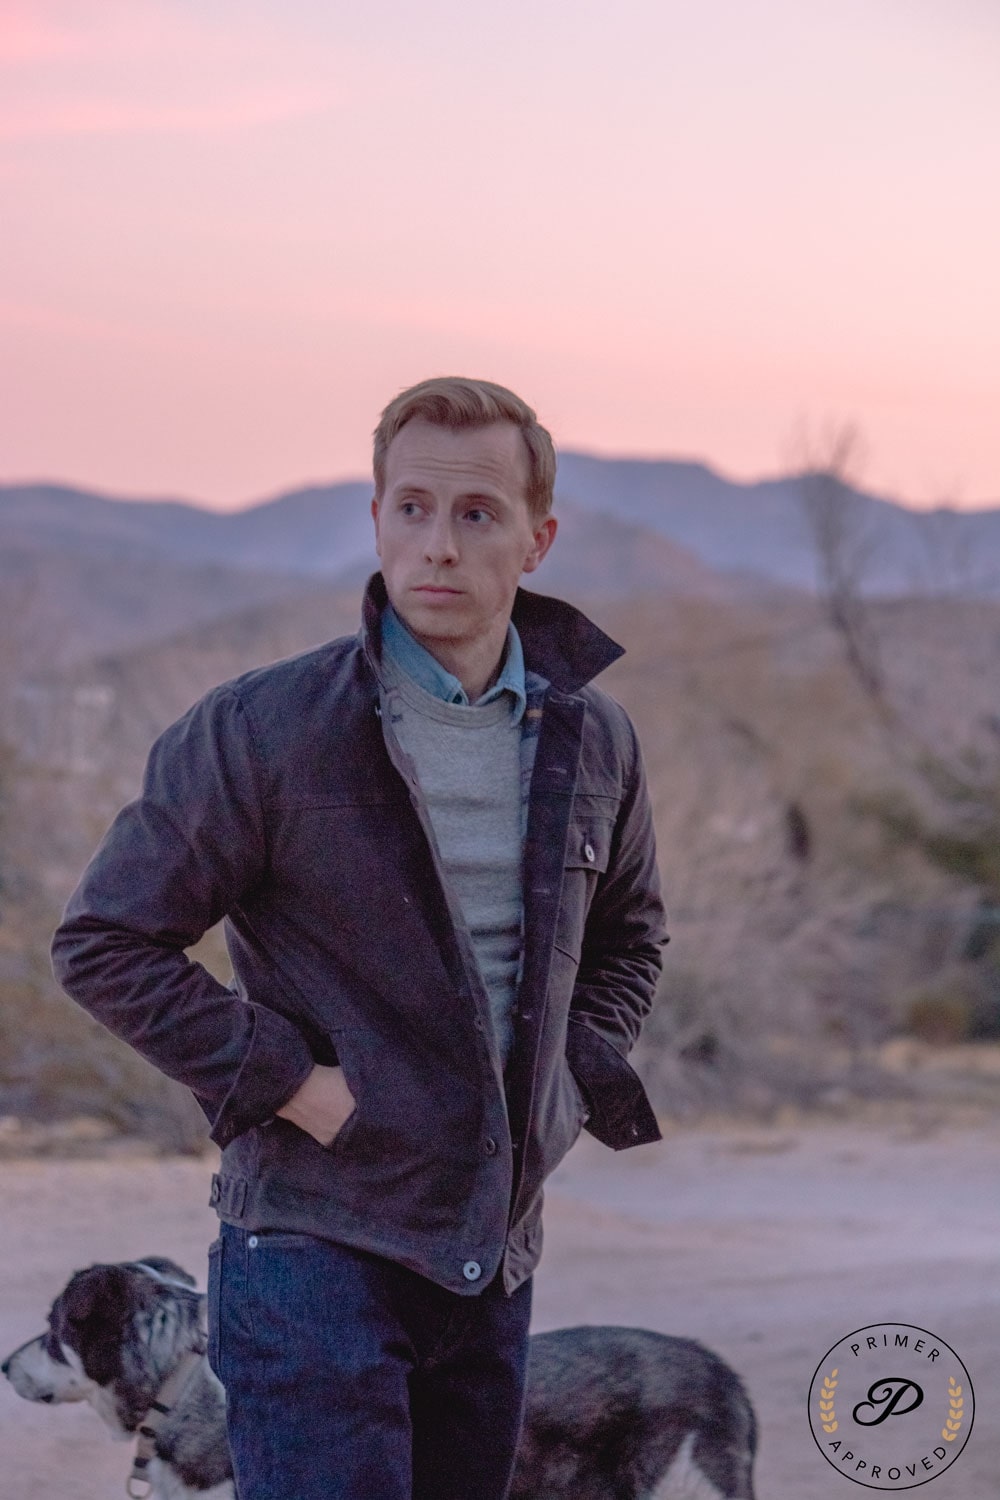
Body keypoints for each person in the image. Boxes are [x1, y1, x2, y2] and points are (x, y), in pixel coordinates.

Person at [51, 376, 667, 1500]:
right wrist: (293, 1082)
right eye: (410, 508)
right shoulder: (264, 730)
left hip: (490, 1254)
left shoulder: (595, 742)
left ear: (537, 539)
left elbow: (627, 938)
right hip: (308, 1248)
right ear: (376, 516)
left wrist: (568, 1081)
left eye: (476, 514)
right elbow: (104, 944)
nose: (438, 544)